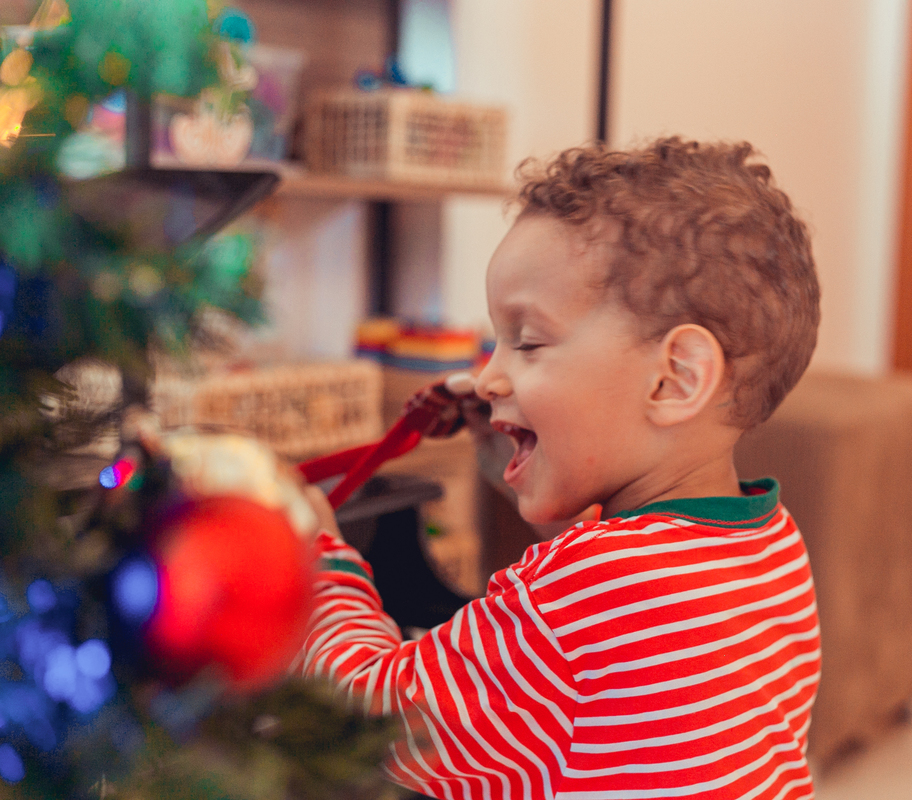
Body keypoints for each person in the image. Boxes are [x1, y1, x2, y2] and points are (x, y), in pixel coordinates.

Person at [301, 137, 823, 799]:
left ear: (674, 378)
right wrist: (510, 463)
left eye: (528, 342)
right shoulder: (770, 547)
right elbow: (611, 666)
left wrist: (320, 563)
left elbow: (370, 720)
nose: (487, 377)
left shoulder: (590, 589)